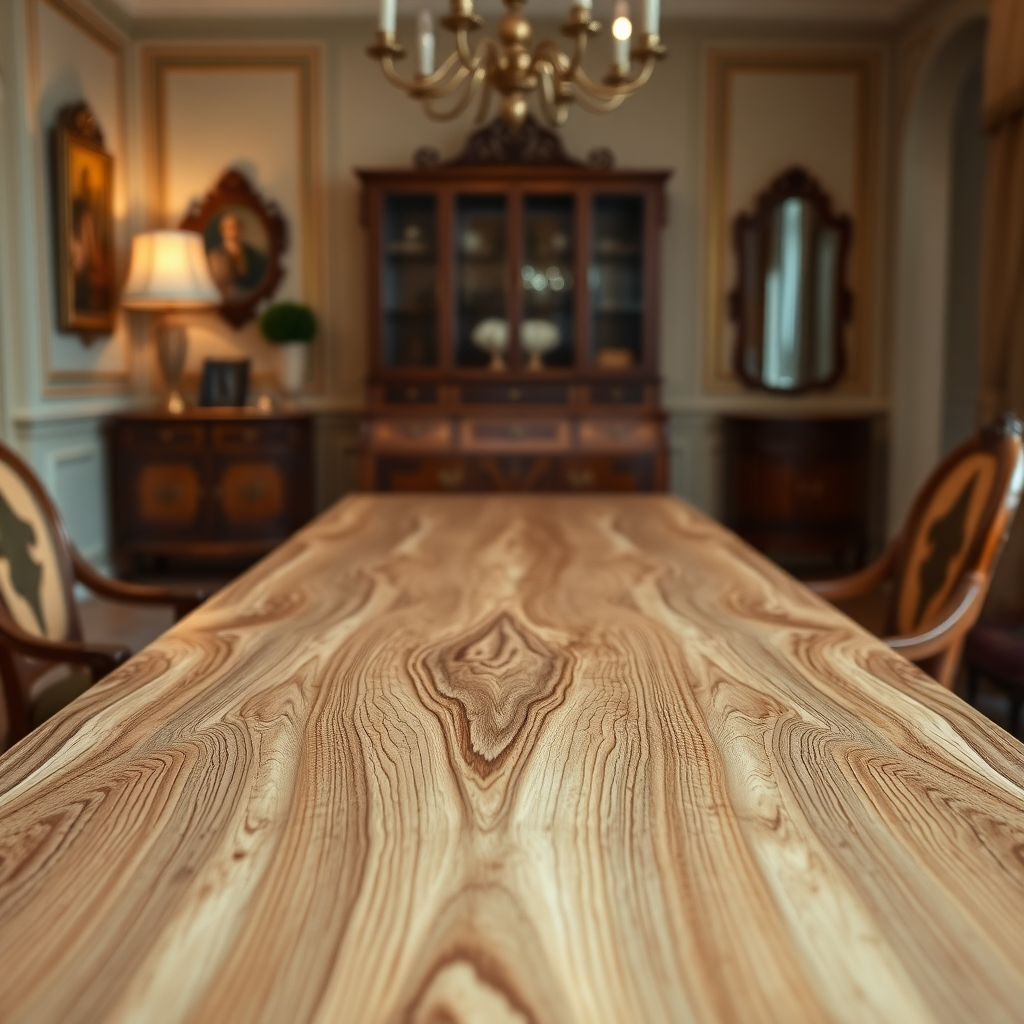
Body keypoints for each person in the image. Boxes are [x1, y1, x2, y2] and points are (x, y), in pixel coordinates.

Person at [206, 211, 267, 302]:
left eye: (236, 226)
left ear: (241, 229)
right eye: (229, 227)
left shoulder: (255, 255)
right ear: (222, 231)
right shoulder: (214, 257)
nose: (233, 231)